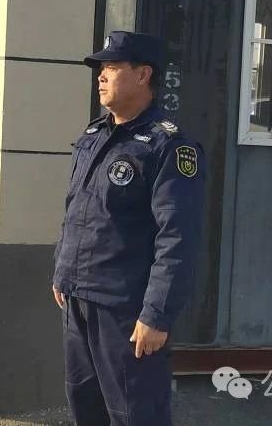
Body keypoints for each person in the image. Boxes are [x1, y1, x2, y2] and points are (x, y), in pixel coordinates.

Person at [52, 30, 206, 425]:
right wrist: (62, 271)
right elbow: (76, 209)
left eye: (112, 67)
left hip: (126, 312)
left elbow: (178, 238)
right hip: (79, 299)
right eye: (100, 68)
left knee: (136, 414)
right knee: (85, 407)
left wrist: (156, 314)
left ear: (143, 75)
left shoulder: (168, 146)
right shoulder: (94, 136)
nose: (101, 76)